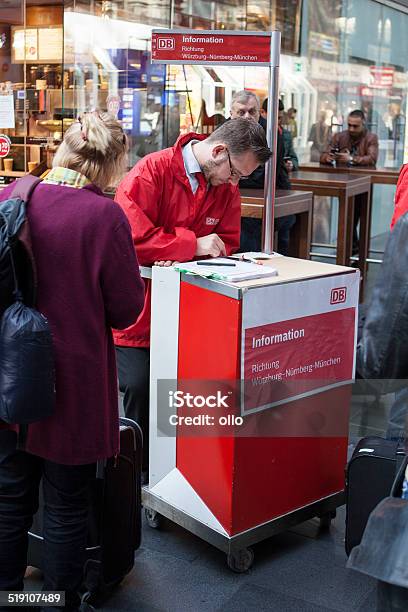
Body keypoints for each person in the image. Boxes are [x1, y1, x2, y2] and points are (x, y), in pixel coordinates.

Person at [0, 111, 145, 611]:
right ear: (111, 166)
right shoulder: (103, 217)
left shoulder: (12, 196)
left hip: (10, 376)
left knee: (7, 496)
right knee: (64, 505)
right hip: (73, 383)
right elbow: (127, 308)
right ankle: (54, 604)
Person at [114, 118, 271, 479]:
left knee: (193, 388)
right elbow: (128, 240)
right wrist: (189, 245)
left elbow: (227, 244)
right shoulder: (152, 171)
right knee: (141, 386)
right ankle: (139, 475)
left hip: (193, 313)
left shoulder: (224, 188)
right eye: (234, 173)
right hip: (139, 315)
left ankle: (183, 468)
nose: (234, 184)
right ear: (218, 152)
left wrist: (179, 249)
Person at [234, 92, 297, 255]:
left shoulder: (271, 134)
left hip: (273, 200)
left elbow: (263, 177)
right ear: (231, 114)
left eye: (252, 111)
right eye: (241, 112)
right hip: (238, 197)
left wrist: (236, 176)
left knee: (247, 226)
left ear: (259, 112)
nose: (247, 117)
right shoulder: (224, 130)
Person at [320, 109, 379, 252]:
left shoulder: (371, 138)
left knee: (354, 219)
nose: (351, 129)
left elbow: (372, 158)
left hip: (362, 184)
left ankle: (354, 249)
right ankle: (352, 249)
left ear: (363, 124)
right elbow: (324, 154)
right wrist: (329, 158)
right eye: (349, 125)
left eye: (355, 126)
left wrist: (352, 159)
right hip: (343, 183)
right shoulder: (340, 136)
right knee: (347, 219)